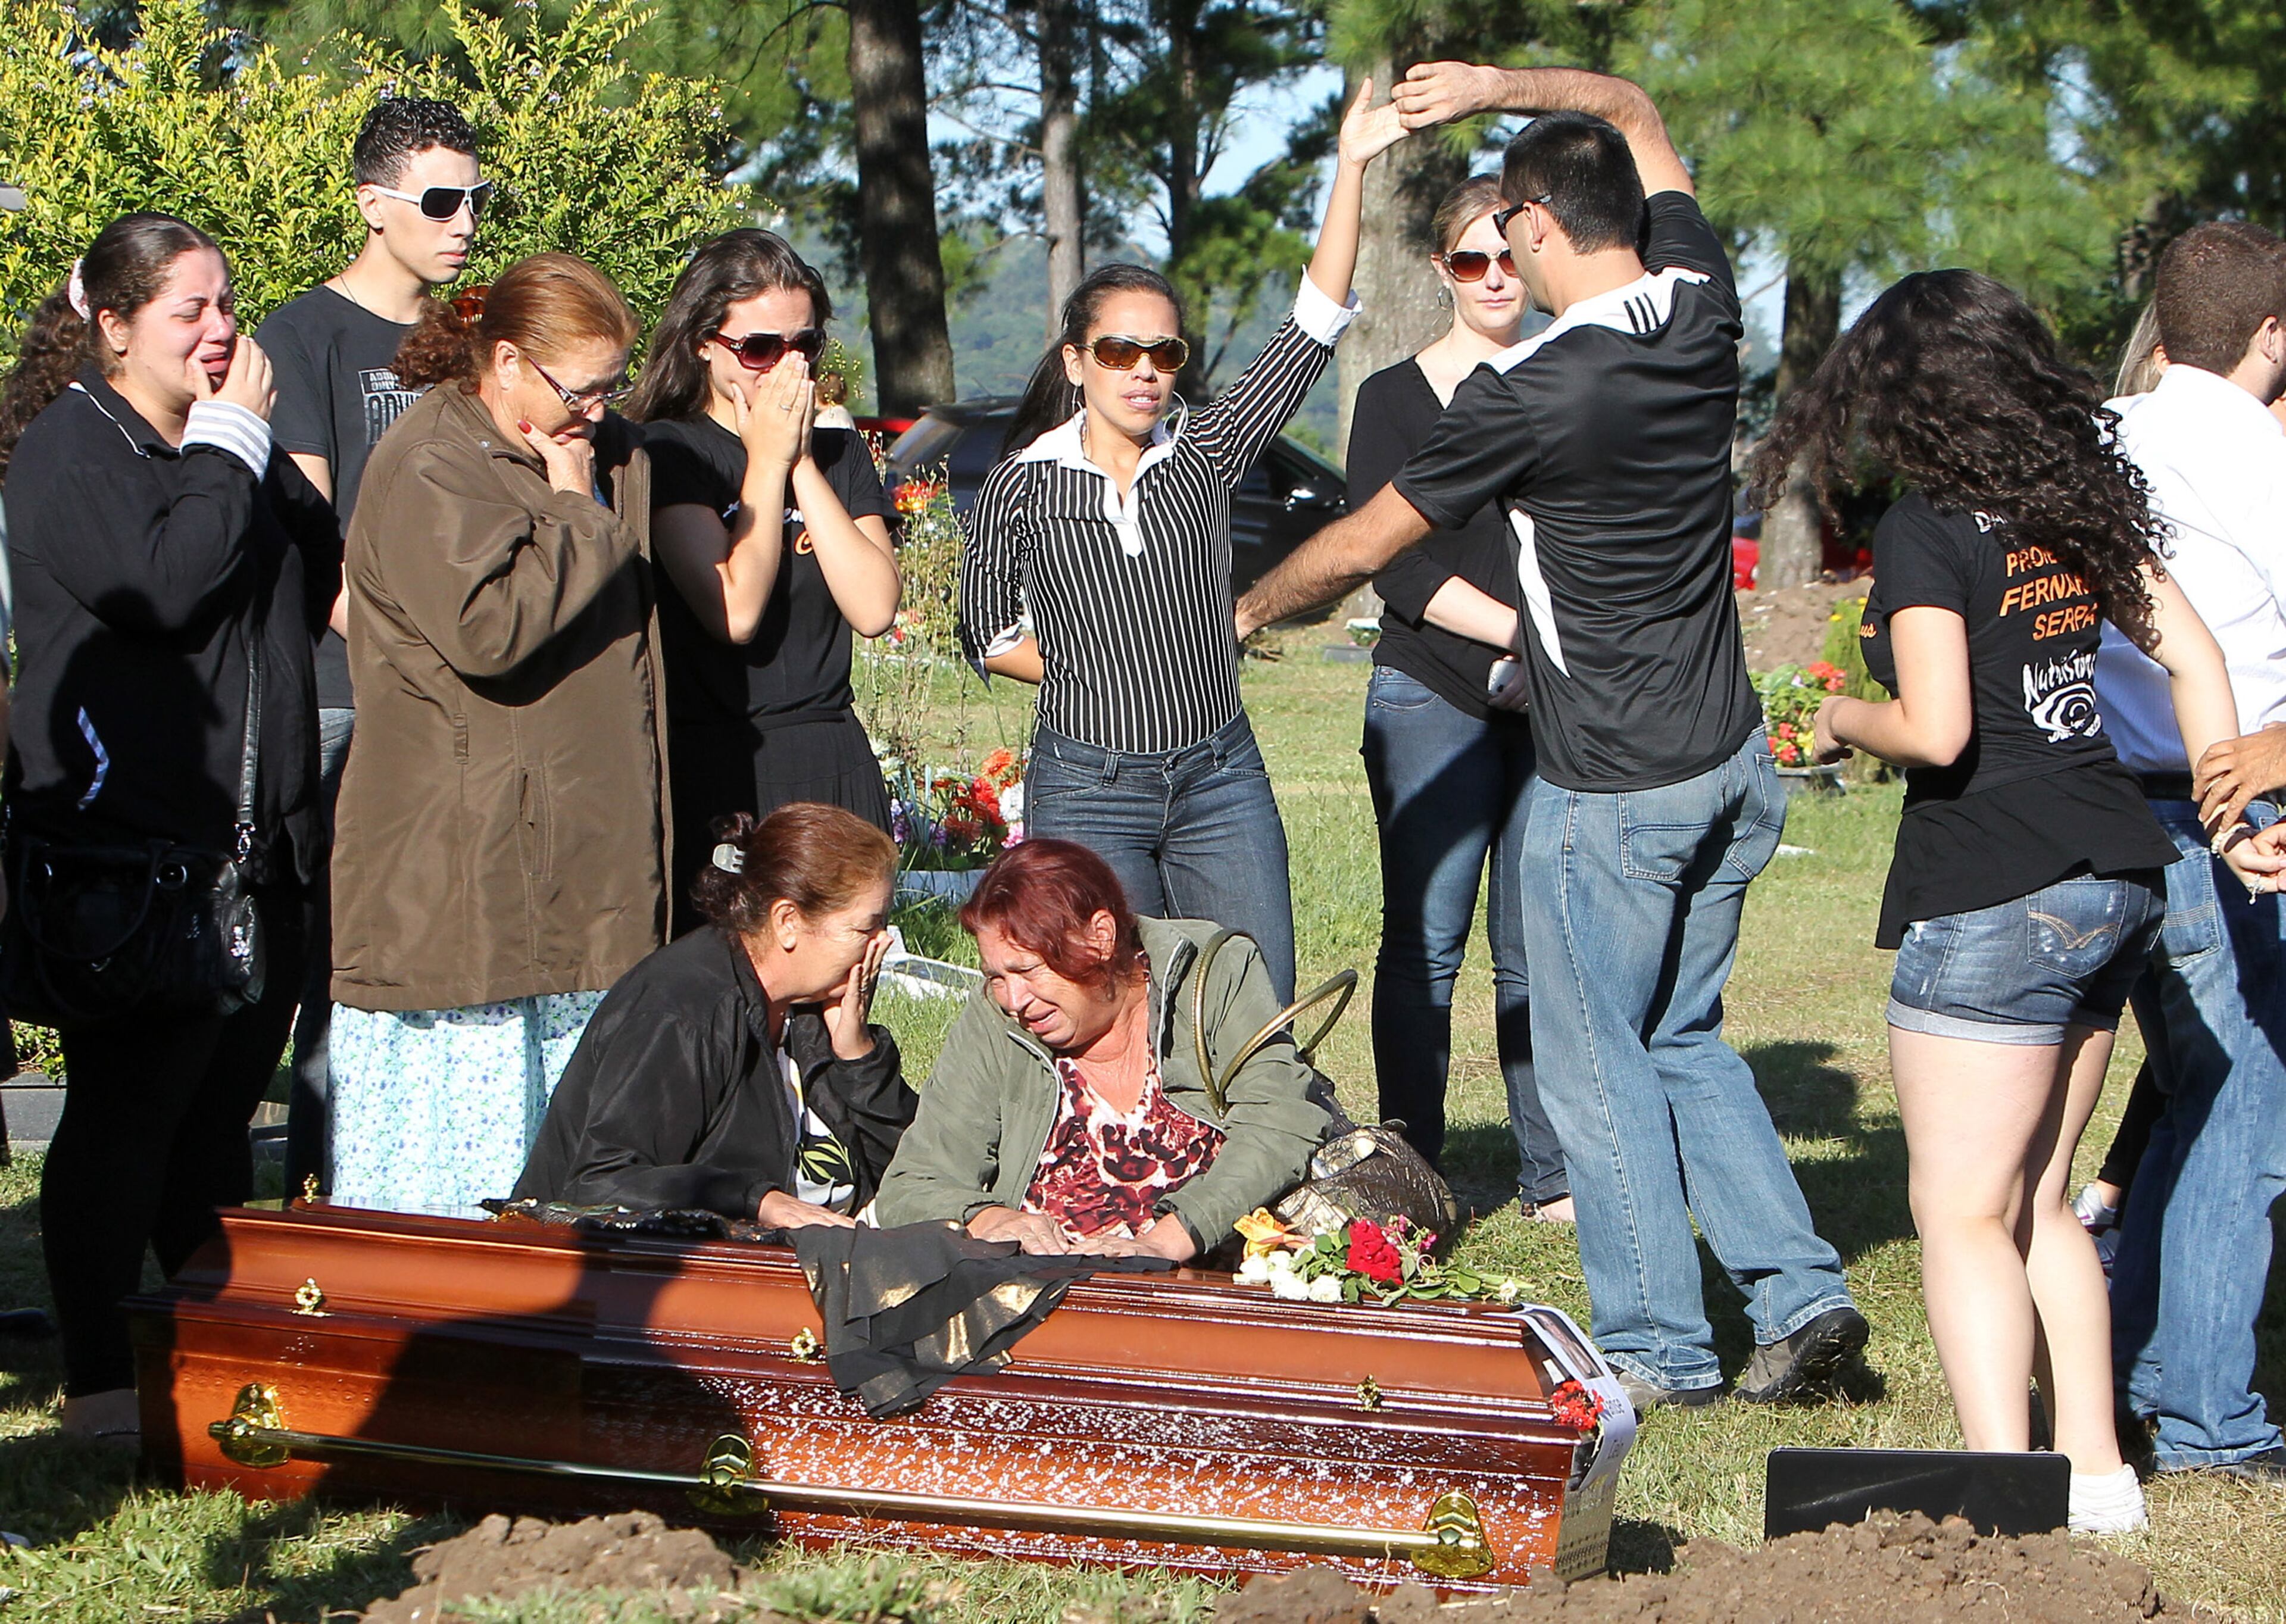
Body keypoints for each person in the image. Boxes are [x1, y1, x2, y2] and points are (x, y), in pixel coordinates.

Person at [1237, 63, 1864, 1409]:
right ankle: (1800, 1290)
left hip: (1613, 786)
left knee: (1593, 1060)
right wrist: (1498, 85)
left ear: (1526, 226)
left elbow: (1368, 540)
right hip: (1733, 761)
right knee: (1685, 1032)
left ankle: (1656, 1343)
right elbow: (1637, 109)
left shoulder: (1534, 391)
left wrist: (1250, 602)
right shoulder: (1700, 309)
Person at [1751, 267, 2279, 1533]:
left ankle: (2009, 1494)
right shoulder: (2081, 505)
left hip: (1996, 883)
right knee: (2042, 1195)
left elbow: (1935, 730)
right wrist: (2236, 820)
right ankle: (2098, 1473)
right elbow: (2197, 654)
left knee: (1959, 1207)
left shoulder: (1931, 527)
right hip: (2121, 875)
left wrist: (1829, 711)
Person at [958, 83, 1411, 1004]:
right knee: (1113, 1007)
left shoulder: (1208, 449)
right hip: (1085, 786)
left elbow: (1313, 324)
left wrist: (1352, 163)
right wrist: (1099, 673)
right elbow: (988, 632)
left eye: (1164, 354)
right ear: (1076, 360)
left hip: (1220, 777)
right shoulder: (1019, 483)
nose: (1145, 373)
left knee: (1255, 1003)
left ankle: (1256, 1150)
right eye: (1120, 352)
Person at [0, 213, 338, 1439]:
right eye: (191, 309)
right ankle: (96, 1378)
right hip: (135, 854)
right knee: (125, 1119)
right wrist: (235, 441)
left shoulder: (216, 450)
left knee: (213, 1131)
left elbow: (319, 568)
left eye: (227, 304)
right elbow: (169, 581)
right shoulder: (69, 452)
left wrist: (259, 454)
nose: (221, 329)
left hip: (262, 847)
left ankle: (203, 1358)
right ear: (114, 325)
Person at [327, 252, 669, 1215]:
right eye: (583, 388)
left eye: (614, 385)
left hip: (573, 874)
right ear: (507, 360)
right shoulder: (434, 461)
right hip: (464, 885)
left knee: (567, 1169)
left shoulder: (579, 448)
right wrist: (572, 514)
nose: (599, 410)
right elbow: (491, 631)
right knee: (457, 1187)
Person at [2086, 222, 2286, 1486]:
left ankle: (2141, 1362)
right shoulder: (2258, 455)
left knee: (2185, 1091)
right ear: (2273, 336)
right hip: (2233, 799)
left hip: (2096, 797)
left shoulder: (2100, 436)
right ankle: (2210, 1414)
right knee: (2242, 1105)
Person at [256, 95, 485, 1194]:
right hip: (356, 699)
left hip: (470, 702)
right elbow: (311, 536)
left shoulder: (475, 338)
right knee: (340, 976)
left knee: (440, 976)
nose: (466, 223)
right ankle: (321, 1209)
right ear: (372, 205)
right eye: (442, 200)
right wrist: (415, 668)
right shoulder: (302, 338)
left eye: (479, 198)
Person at [1346, 174, 1565, 1217]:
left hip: (1554, 703)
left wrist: (1555, 655)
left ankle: (1552, 1168)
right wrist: (1520, 636)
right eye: (1471, 260)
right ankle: (1414, 1161)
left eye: (1509, 256)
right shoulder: (1393, 397)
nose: (1493, 278)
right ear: (1442, 269)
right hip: (1434, 692)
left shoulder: (1570, 379)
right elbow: (1394, 565)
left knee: (1537, 945)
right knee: (1425, 943)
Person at [625, 230, 899, 933]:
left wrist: (801, 460)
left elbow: (873, 607)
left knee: (839, 998)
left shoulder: (837, 456)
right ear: (703, 344)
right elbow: (734, 610)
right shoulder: (668, 450)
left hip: (830, 750)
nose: (786, 367)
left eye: (805, 345)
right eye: (760, 349)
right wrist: (766, 463)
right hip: (723, 762)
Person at [875, 839, 1329, 1260]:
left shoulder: (1209, 974)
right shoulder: (994, 1020)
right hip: (1048, 1301)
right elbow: (915, 1182)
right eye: (996, 976)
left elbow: (1280, 1122)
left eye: (1029, 970)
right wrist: (991, 1219)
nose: (1013, 1000)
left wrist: (1163, 1244)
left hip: (1215, 1281)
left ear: (1101, 938)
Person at [516, 802, 909, 1225]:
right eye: (865, 928)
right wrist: (757, 1200)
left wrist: (859, 1058)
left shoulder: (817, 1009)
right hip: (636, 1275)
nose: (883, 944)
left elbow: (919, 1169)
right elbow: (601, 1182)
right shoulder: (682, 1012)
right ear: (788, 922)